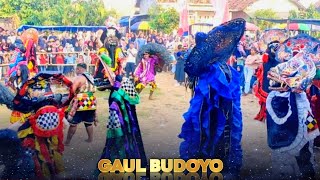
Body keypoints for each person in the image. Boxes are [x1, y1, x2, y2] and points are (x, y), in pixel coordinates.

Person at [179, 18, 245, 179]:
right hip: (210, 115)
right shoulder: (208, 69)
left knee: (223, 141)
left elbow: (233, 93)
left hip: (226, 114)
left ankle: (220, 163)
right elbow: (203, 97)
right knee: (208, 138)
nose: (220, 45)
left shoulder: (224, 66)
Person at [65, 63, 98, 145]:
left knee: (73, 123)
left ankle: (67, 142)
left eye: (76, 69)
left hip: (80, 102)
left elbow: (72, 90)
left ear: (79, 69)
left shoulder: (79, 78)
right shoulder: (90, 77)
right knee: (88, 122)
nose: (76, 71)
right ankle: (90, 139)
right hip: (91, 102)